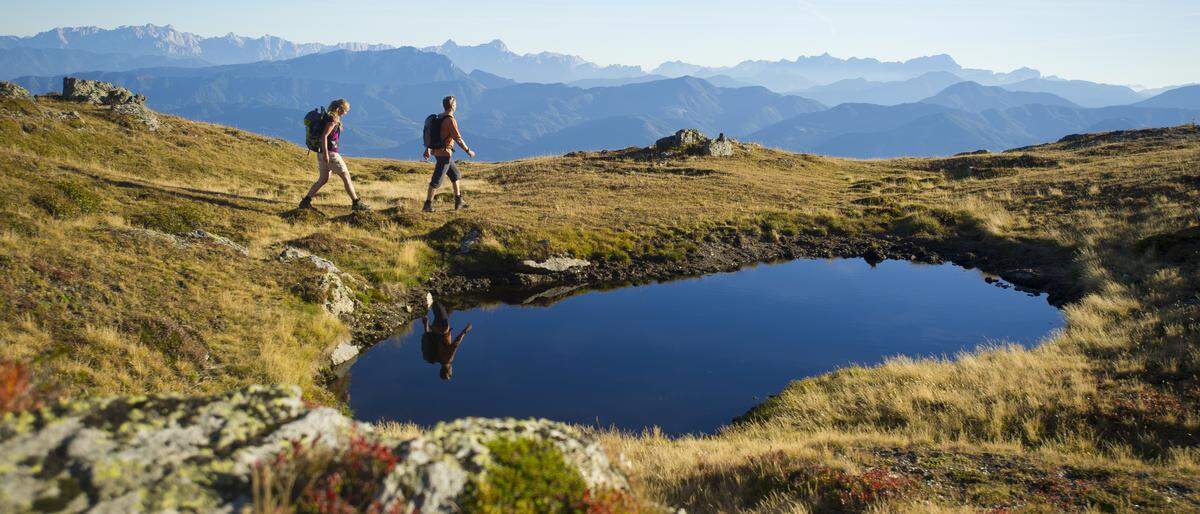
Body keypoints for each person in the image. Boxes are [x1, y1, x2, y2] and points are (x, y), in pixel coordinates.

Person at [299, 99, 367, 211]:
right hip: (330, 154)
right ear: (339, 109)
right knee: (346, 176)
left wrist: (323, 154)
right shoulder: (332, 120)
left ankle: (305, 201)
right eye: (345, 110)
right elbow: (324, 136)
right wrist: (326, 154)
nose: (346, 113)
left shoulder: (327, 118)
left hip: (321, 153)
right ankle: (356, 203)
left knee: (323, 179)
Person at [422, 96, 476, 212]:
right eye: (455, 104)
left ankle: (459, 201)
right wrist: (468, 151)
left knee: (455, 175)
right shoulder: (450, 120)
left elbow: (432, 135)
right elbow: (458, 138)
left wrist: (427, 149)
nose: (456, 106)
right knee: (436, 181)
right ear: (452, 106)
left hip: (439, 152)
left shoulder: (438, 117)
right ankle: (427, 205)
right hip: (444, 155)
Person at [421, 302, 472, 380]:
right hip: (436, 331)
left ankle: (425, 299)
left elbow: (456, 344)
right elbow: (429, 342)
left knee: (436, 304)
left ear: (448, 371)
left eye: (451, 372)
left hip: (443, 328)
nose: (452, 370)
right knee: (448, 309)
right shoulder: (437, 359)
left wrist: (465, 330)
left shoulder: (448, 359)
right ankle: (427, 302)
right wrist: (426, 326)